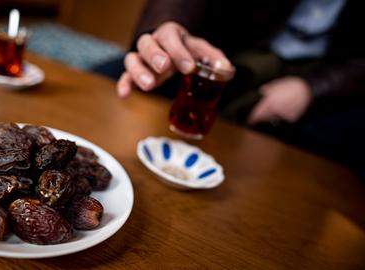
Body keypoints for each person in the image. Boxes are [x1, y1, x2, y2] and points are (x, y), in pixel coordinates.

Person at [93, 0, 365, 179]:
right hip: (222, 47)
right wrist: (165, 26)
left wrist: (311, 88)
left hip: (331, 73)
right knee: (107, 81)